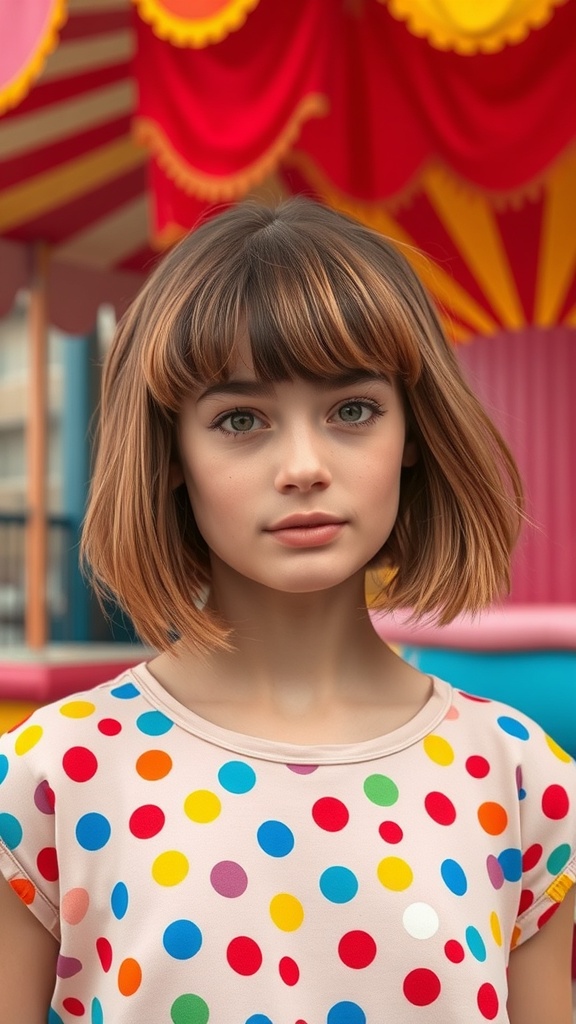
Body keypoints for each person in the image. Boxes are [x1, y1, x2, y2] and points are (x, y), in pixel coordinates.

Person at [0, 199, 574, 1024]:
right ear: (171, 453)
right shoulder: (50, 777)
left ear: (412, 431)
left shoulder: (526, 780)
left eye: (352, 410)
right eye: (240, 419)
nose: (303, 466)